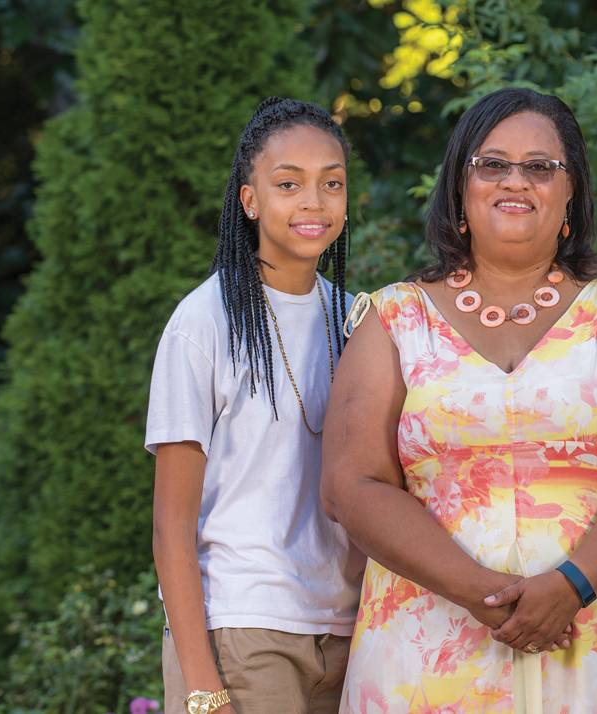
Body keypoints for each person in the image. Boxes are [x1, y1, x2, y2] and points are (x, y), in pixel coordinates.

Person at [322, 87, 597, 713]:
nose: (515, 181)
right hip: (431, 652)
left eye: (539, 166)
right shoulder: (394, 317)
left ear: (570, 191)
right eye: (492, 164)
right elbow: (351, 484)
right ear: (460, 189)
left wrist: (569, 587)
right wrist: (482, 593)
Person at [147, 98, 362, 714]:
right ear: (250, 200)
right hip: (244, 631)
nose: (313, 203)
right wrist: (200, 686)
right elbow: (171, 527)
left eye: (332, 184)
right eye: (288, 184)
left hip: (348, 630)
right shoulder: (203, 323)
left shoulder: (357, 319)